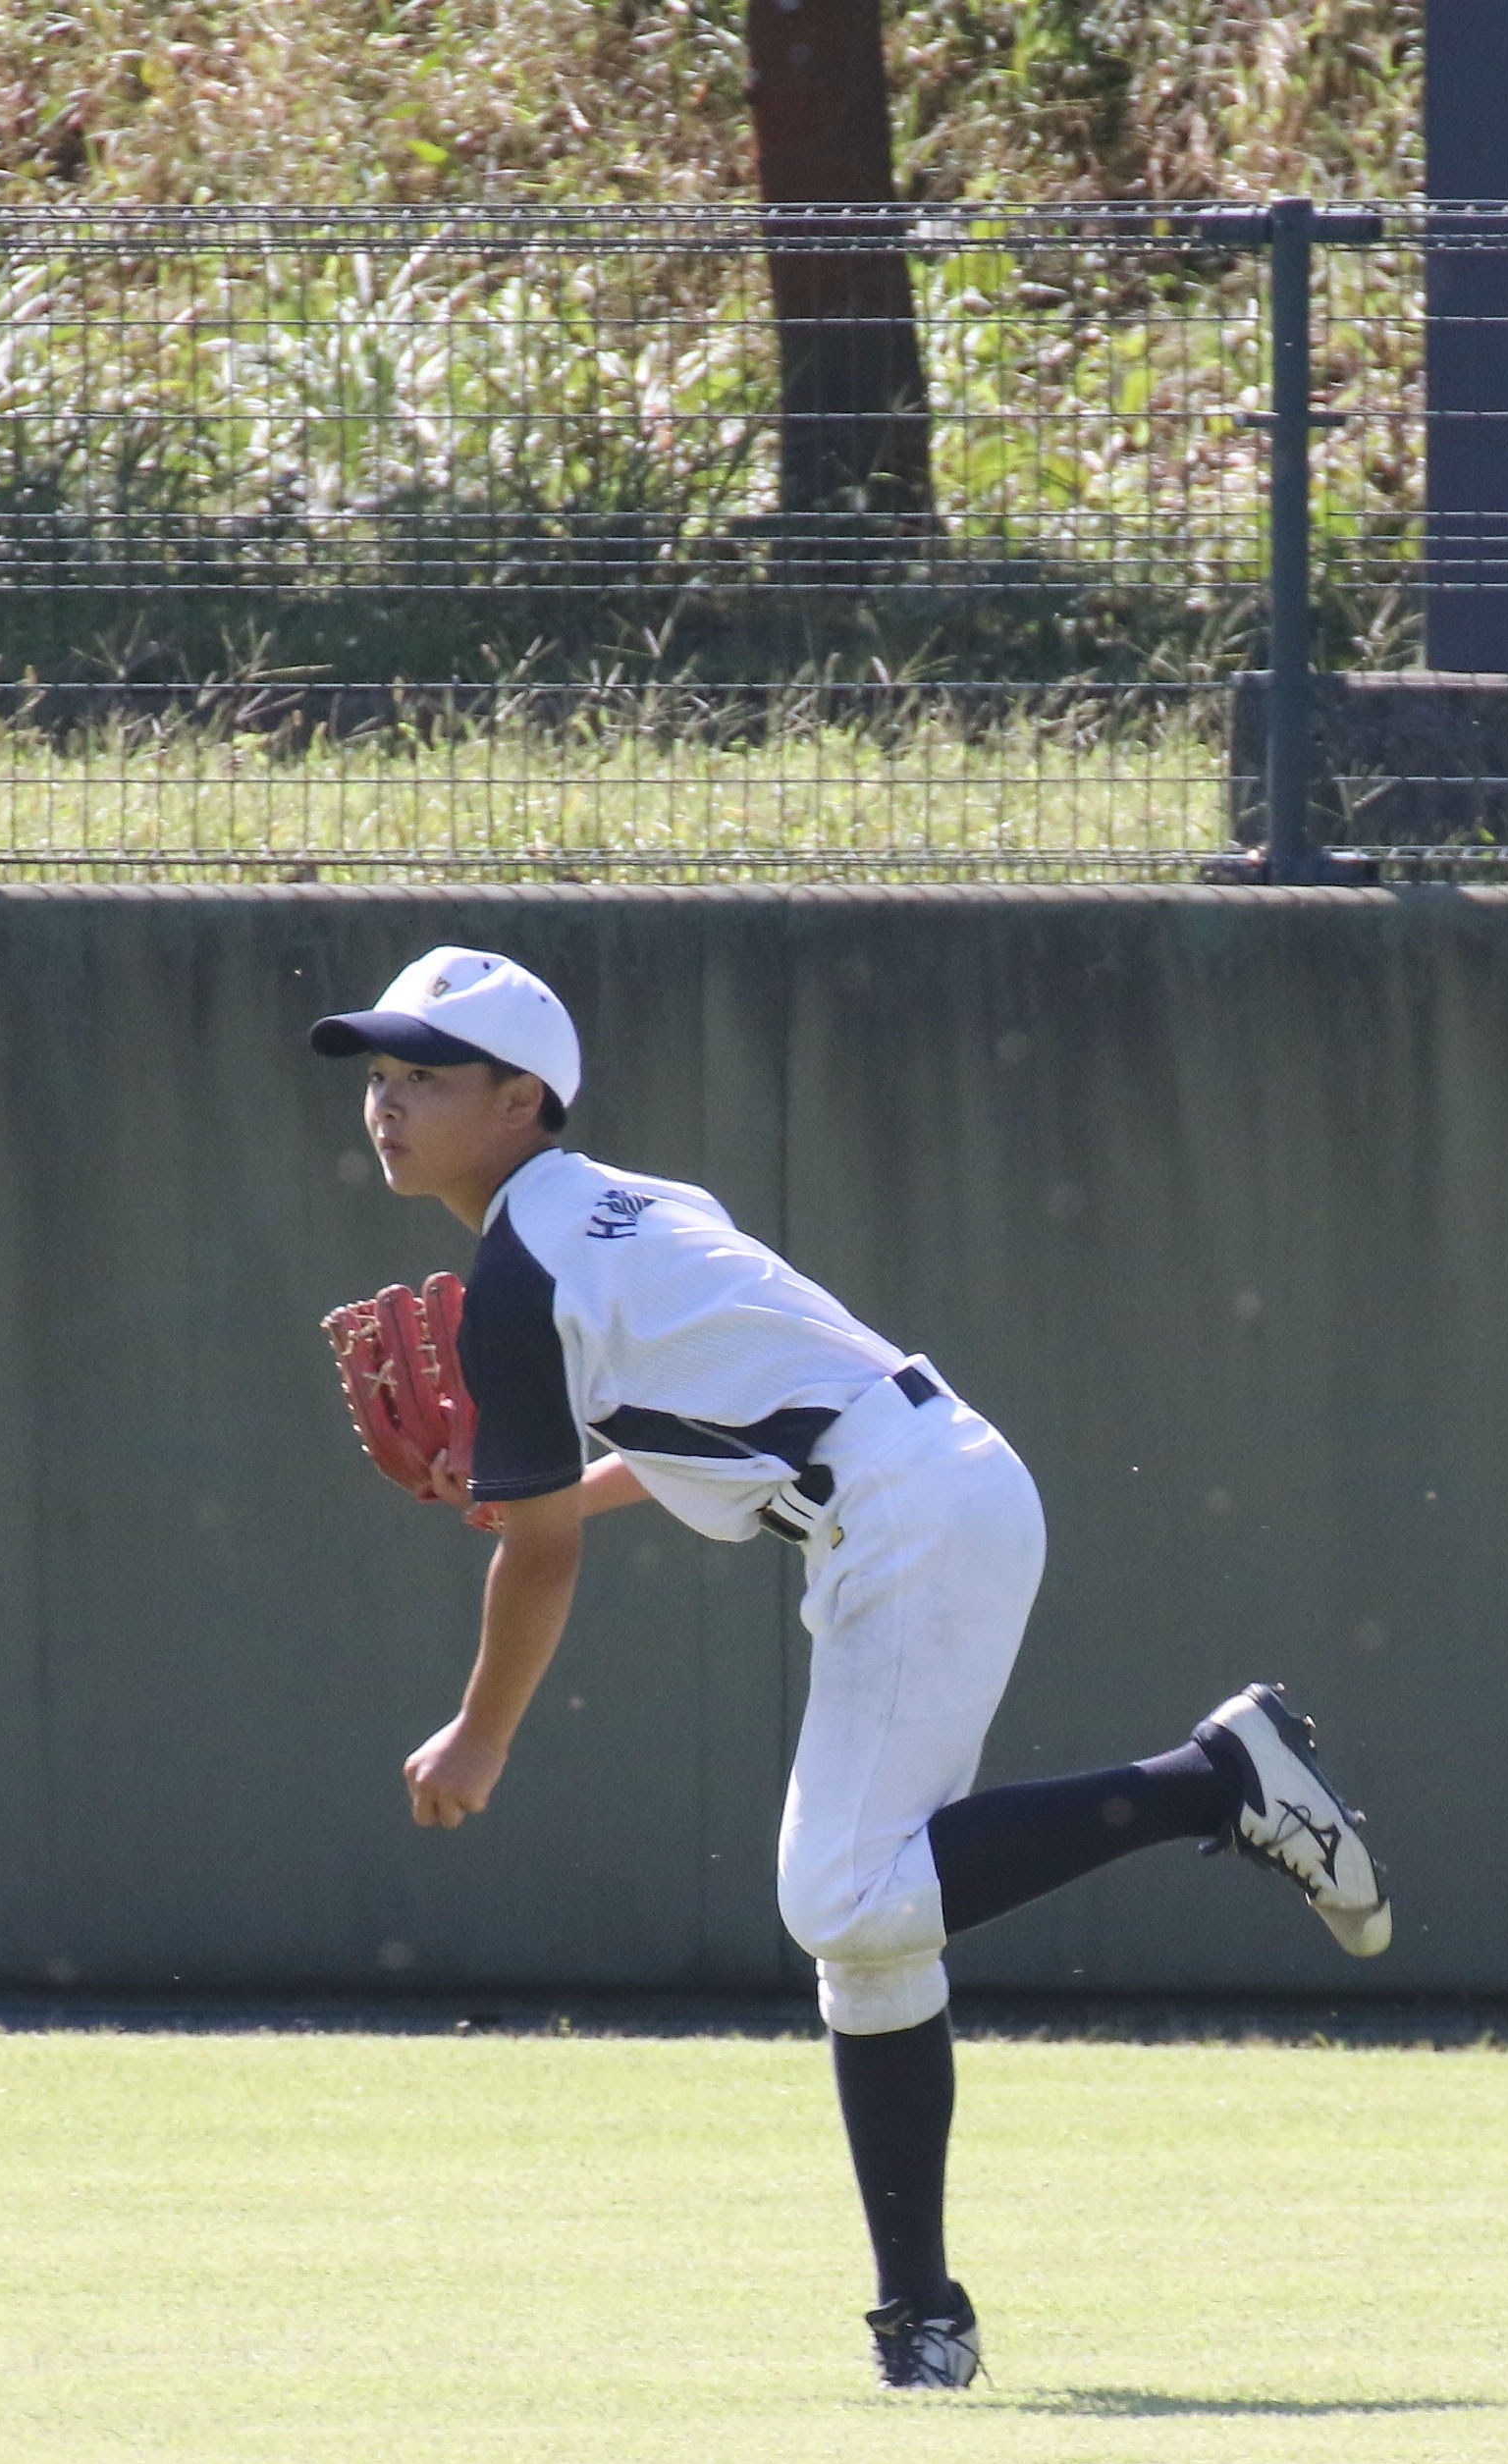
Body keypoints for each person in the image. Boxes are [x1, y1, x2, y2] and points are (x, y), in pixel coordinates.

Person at [313, 945, 1390, 2390]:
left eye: (427, 1075)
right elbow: (710, 1427)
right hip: (915, 1484)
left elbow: (541, 1557)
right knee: (869, 1946)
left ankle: (1215, 1782)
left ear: (523, 1100)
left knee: (842, 1894)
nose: (387, 1102)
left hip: (906, 1509)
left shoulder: (519, 1271)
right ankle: (922, 2321)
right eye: (380, 1074)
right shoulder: (625, 1205)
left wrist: (480, 1731)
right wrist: (539, 1485)